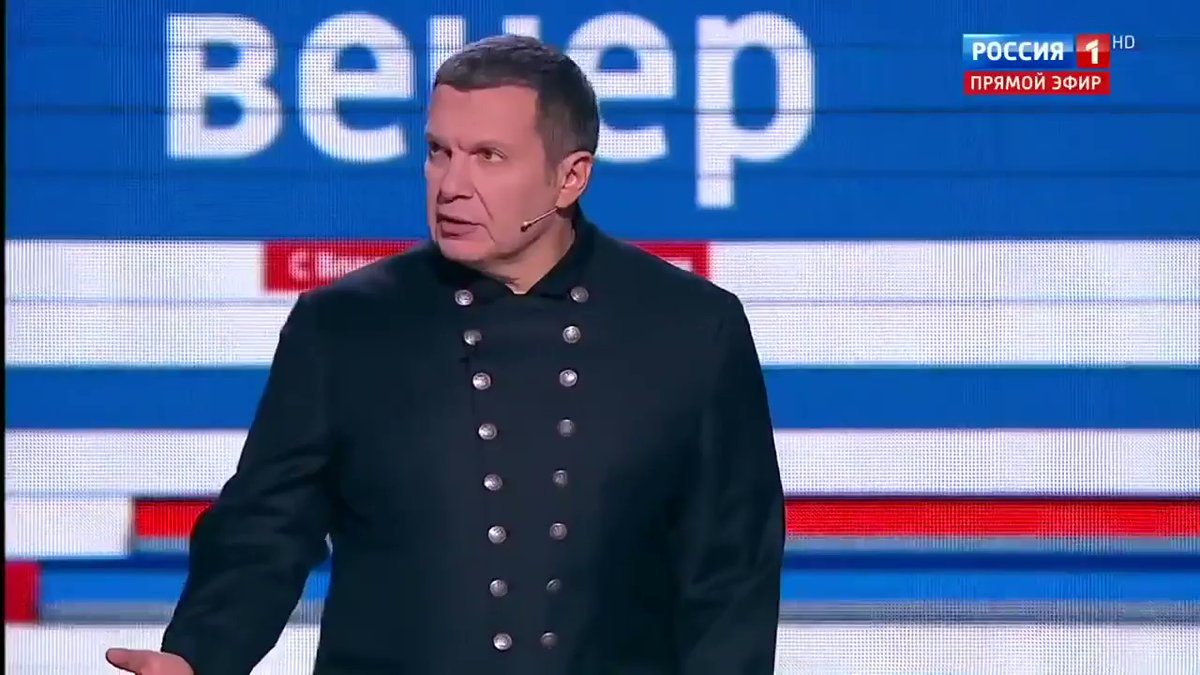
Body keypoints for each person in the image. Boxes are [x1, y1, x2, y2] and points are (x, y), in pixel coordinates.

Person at [105, 34, 784, 675]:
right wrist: (199, 655)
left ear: (570, 177)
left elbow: (731, 574)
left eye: (488, 156)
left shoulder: (690, 328)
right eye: (438, 152)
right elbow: (265, 530)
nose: (451, 184)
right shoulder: (345, 326)